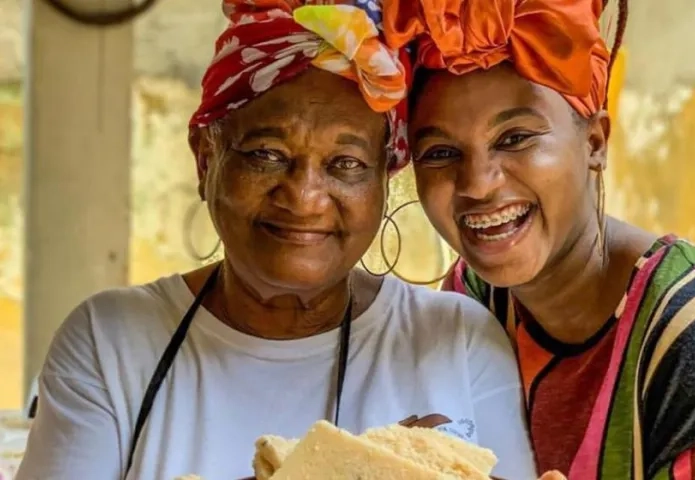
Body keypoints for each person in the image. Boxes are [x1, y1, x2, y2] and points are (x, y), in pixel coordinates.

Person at [15, 2, 539, 479]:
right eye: (266, 154)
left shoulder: (458, 342)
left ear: (382, 178)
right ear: (206, 158)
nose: (305, 197)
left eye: (347, 164)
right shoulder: (110, 343)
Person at [382, 0, 695, 478]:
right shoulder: (476, 297)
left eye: (515, 138)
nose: (477, 183)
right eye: (440, 152)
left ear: (595, 143)